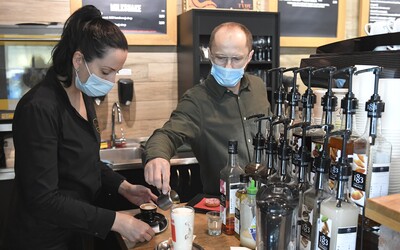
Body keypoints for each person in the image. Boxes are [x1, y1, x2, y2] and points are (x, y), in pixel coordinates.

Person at [6, 5, 157, 250]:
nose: (110, 82)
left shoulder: (82, 95)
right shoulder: (39, 108)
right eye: (106, 71)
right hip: (43, 239)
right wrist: (116, 221)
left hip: (75, 231)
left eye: (115, 73)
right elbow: (43, 199)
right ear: (78, 60)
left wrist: (124, 186)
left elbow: (83, 160)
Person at [143, 22, 271, 195]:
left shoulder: (258, 86)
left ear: (249, 57)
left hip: (266, 195)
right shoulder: (196, 100)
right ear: (210, 55)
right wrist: (157, 156)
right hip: (224, 205)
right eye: (220, 57)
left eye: (236, 59)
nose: (228, 66)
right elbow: (167, 134)